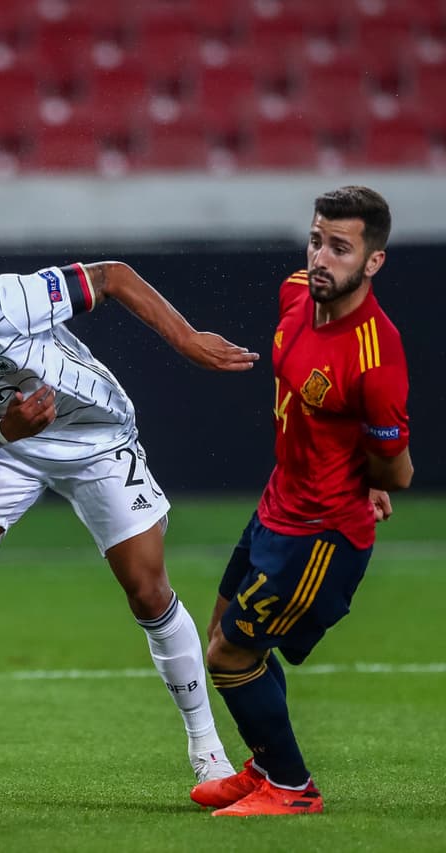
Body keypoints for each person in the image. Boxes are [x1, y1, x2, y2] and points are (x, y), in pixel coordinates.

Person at [0, 255, 260, 785]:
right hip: (9, 447)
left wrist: (188, 339)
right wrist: (8, 433)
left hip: (97, 441)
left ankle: (205, 744)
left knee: (148, 593)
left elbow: (113, 277)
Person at [190, 186, 413, 816]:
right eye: (317, 239)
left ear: (373, 262)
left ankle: (291, 789)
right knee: (229, 638)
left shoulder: (375, 353)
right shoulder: (296, 291)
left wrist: (374, 476)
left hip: (323, 533)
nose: (321, 257)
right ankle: (264, 766)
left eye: (341, 248)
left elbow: (396, 472)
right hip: (276, 505)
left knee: (230, 654)